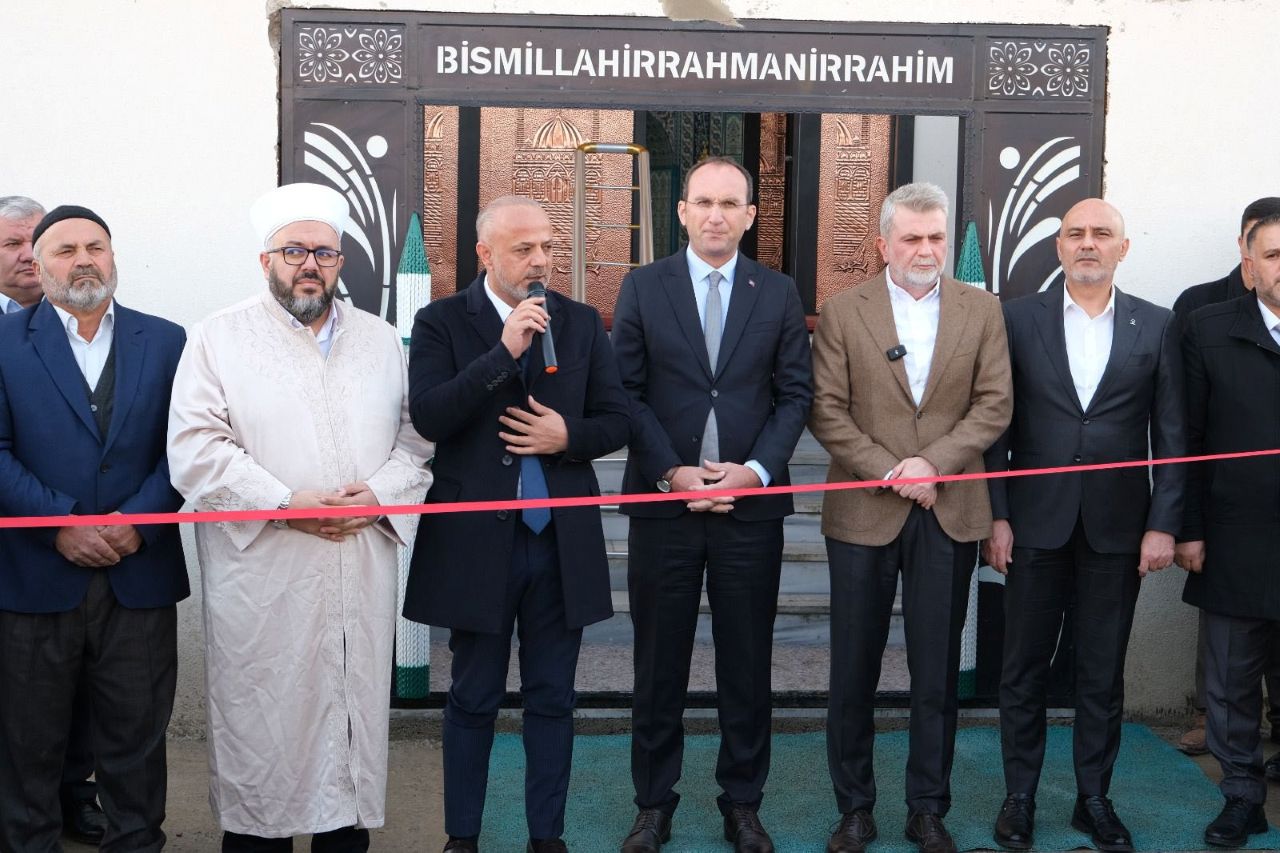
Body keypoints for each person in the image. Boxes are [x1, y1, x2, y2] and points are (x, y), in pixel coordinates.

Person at [167, 183, 434, 851]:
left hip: (357, 562)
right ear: (265, 260)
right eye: (293, 250)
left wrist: (377, 493)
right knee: (265, 737)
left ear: (341, 261)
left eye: (323, 251)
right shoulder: (218, 337)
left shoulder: (379, 339)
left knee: (348, 732)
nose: (308, 263)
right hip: (265, 577)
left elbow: (415, 439)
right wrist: (287, 503)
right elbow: (195, 446)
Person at [402, 195, 630, 853]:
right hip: (477, 546)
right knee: (472, 696)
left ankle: (546, 836)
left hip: (559, 544)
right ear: (485, 254)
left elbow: (616, 418)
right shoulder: (442, 321)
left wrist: (568, 434)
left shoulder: (582, 324)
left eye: (548, 248)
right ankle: (463, 836)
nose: (539, 262)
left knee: (553, 697)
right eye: (522, 248)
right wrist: (503, 350)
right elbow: (431, 416)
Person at [611, 156, 813, 853]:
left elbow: (795, 396)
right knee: (656, 663)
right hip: (665, 509)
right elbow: (625, 392)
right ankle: (652, 803)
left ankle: (743, 802)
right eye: (704, 201)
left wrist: (753, 473)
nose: (717, 214)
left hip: (749, 513)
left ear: (751, 215)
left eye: (731, 202)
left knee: (746, 662)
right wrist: (671, 471)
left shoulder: (779, 292)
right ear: (682, 210)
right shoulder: (643, 286)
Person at [809, 182, 1012, 853]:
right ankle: (854, 808)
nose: (926, 250)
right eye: (912, 238)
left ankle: (928, 807)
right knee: (853, 670)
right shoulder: (843, 311)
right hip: (865, 510)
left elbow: (993, 406)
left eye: (936, 238)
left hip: (949, 509)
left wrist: (933, 466)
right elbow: (827, 410)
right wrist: (891, 470)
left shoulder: (983, 310)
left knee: (935, 670)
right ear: (883, 243)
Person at [983, 199, 1186, 853]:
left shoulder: (1156, 325)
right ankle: (1020, 796)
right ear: (1059, 246)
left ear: (1123, 248)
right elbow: (996, 426)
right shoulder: (1016, 319)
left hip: (1119, 528)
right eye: (1076, 233)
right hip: (1034, 523)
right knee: (1022, 669)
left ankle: (1093, 798)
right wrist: (998, 513)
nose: (1088, 243)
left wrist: (1163, 523)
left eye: (1102, 234)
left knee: (1101, 672)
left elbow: (1175, 437)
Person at [0, 205, 188, 851]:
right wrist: (62, 524)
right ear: (39, 264)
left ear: (113, 257)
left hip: (139, 576)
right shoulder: (3, 343)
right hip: (33, 577)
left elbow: (188, 448)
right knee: (29, 743)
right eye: (63, 249)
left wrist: (136, 524)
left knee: (136, 742)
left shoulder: (166, 340)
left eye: (95, 246)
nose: (82, 259)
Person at [0, 193, 107, 846]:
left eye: (30, 242)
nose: (23, 257)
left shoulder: (93, 325)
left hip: (77, 546)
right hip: (20, 534)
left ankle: (75, 792)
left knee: (78, 686)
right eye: (9, 244)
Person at [1176, 211, 1280, 848]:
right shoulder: (1209, 329)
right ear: (1249, 263)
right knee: (1231, 681)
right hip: (1234, 536)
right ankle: (1242, 796)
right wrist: (1186, 529)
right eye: (1273, 255)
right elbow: (1184, 438)